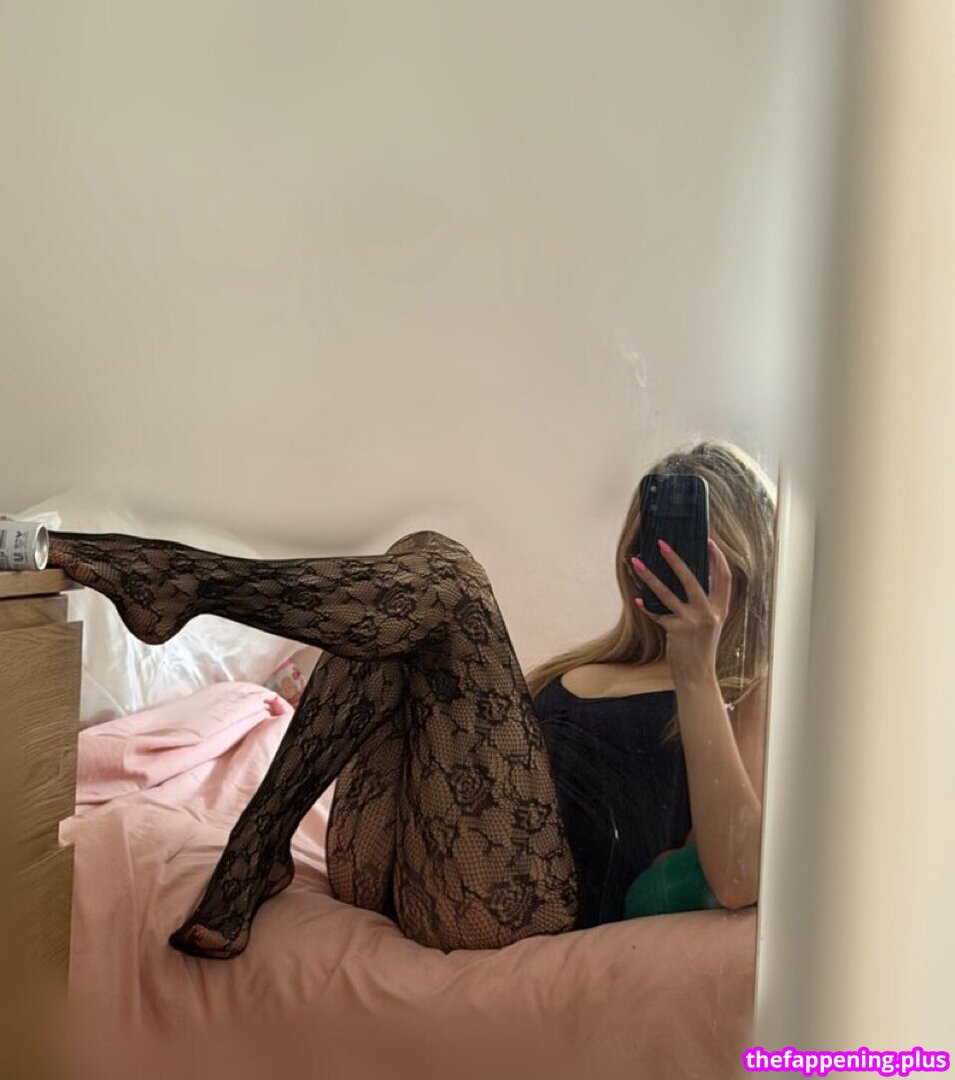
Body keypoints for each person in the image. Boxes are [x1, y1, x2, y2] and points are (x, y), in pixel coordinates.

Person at [43, 437, 775, 960]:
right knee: (406, 591)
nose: (665, 563)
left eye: (693, 550)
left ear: (746, 565)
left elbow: (739, 875)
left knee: (447, 577)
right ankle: (261, 843)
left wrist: (695, 669)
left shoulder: (748, 692)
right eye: (652, 543)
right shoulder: (587, 664)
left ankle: (188, 587)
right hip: (399, 863)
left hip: (517, 906)